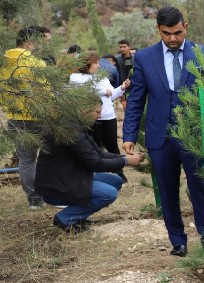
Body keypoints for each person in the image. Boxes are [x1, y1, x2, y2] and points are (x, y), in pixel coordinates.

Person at [121, 6, 204, 258]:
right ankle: (178, 241)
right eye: (166, 33)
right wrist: (128, 135)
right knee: (167, 191)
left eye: (178, 32)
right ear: (158, 30)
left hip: (193, 137)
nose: (173, 38)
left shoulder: (201, 53)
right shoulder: (145, 58)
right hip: (159, 138)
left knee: (200, 190)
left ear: (186, 26)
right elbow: (136, 99)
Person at [36, 105, 145, 233]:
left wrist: (124, 156)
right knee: (108, 194)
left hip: (70, 176)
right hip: (56, 184)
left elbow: (99, 154)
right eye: (97, 111)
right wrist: (126, 161)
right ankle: (65, 219)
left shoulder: (76, 126)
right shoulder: (70, 131)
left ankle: (78, 215)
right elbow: (95, 163)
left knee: (115, 181)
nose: (100, 115)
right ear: (83, 109)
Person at [1, 26, 49, 210]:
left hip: (14, 117)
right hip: (38, 117)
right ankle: (51, 194)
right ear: (29, 42)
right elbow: (46, 92)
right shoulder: (37, 63)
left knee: (26, 160)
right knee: (47, 157)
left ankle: (33, 200)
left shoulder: (3, 62)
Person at [69, 51, 130, 182]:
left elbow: (112, 94)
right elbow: (80, 90)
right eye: (96, 63)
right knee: (94, 147)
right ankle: (94, 174)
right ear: (87, 64)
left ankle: (119, 172)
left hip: (108, 116)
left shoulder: (102, 77)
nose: (99, 66)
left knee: (112, 145)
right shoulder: (76, 77)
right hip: (90, 118)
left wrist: (122, 87)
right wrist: (103, 91)